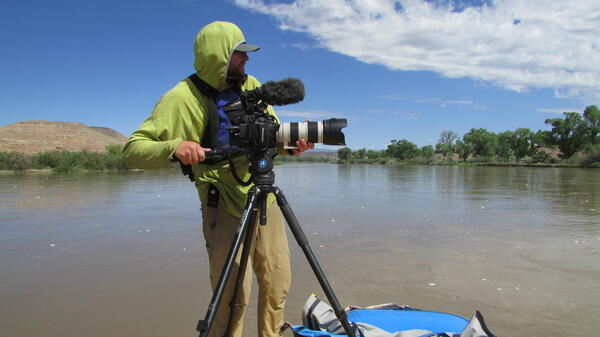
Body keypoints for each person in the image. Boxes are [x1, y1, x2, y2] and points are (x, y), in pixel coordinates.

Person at [123, 21, 314, 337]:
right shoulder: (182, 97)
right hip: (222, 201)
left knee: (277, 279)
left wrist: (294, 145)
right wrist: (176, 147)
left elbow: (272, 134)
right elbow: (133, 150)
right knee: (232, 297)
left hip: (262, 193)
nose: (247, 61)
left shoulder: (251, 84)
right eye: (240, 54)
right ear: (220, 55)